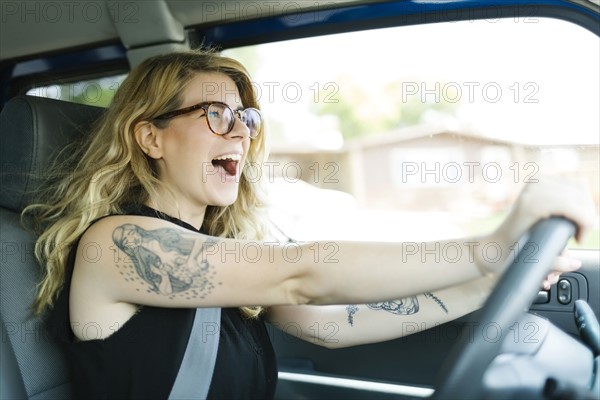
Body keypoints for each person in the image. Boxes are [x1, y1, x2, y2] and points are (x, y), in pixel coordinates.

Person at [23, 49, 594, 399]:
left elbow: (337, 324)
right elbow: (302, 271)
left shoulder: (223, 256)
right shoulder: (117, 244)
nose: (241, 133)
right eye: (216, 114)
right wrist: (489, 247)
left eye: (246, 118)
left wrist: (481, 288)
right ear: (151, 137)